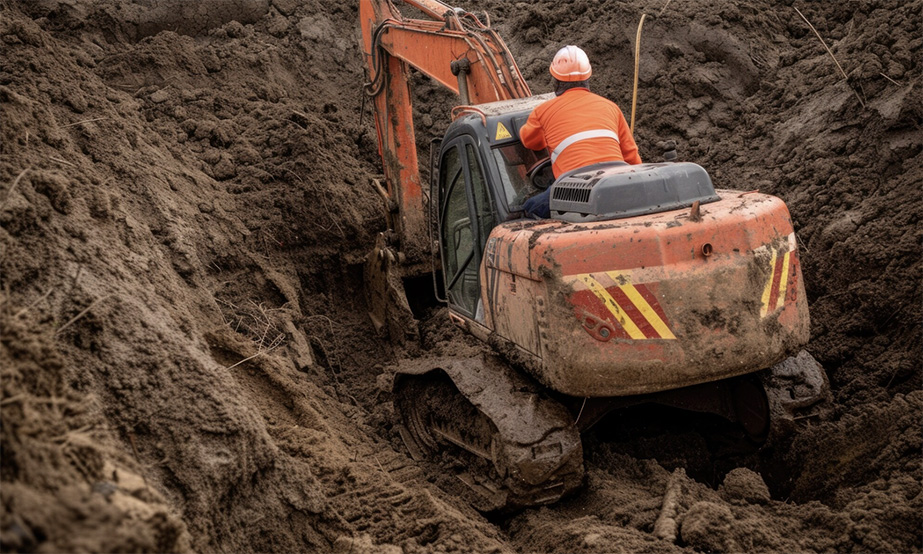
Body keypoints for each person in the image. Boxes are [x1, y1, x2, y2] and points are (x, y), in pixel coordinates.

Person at [519, 45, 642, 218]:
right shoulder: (611, 107)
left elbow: (529, 141)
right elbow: (631, 155)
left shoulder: (542, 112)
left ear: (555, 80)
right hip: (617, 184)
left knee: (528, 209)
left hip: (576, 191)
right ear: (588, 77)